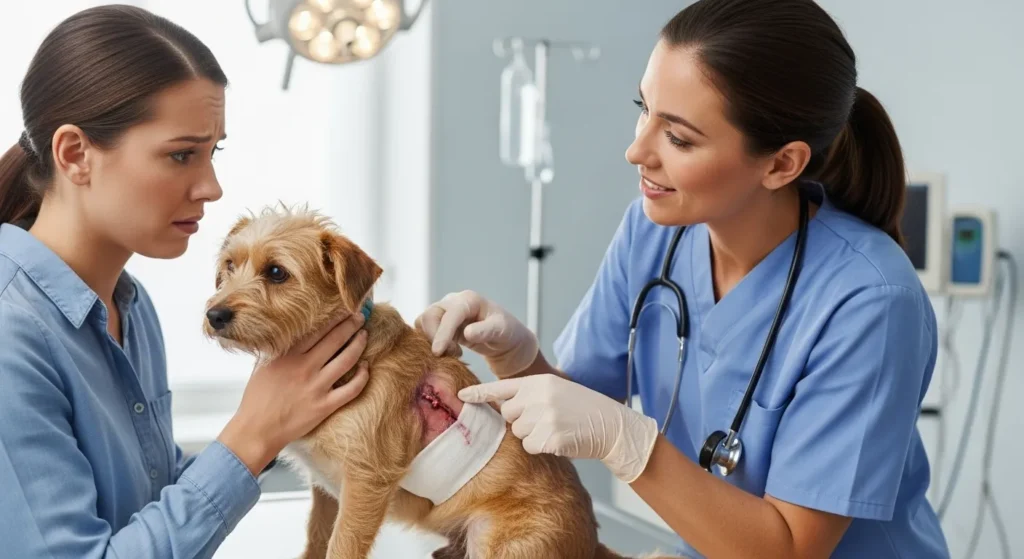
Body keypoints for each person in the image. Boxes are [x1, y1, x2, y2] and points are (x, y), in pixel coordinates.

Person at [415, 0, 949, 557]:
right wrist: (517, 352)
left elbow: (789, 549)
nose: (636, 151)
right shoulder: (656, 234)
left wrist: (633, 445)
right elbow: (580, 413)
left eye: (679, 138)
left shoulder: (871, 301)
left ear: (781, 164)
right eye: (643, 109)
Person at [0, 6, 369, 558]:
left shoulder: (130, 304)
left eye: (212, 152)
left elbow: (153, 498)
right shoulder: (11, 332)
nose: (212, 187)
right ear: (75, 154)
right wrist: (254, 433)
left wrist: (288, 416)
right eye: (181, 155)